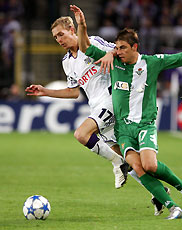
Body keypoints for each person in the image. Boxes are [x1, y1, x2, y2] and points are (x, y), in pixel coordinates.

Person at [71, 4, 182, 219]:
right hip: (123, 129)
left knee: (150, 165)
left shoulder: (152, 63)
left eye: (122, 48)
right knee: (137, 168)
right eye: (116, 47)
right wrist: (82, 25)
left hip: (145, 124)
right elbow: (85, 47)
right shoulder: (114, 60)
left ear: (135, 47)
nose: (117, 51)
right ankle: (174, 208)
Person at [25, 15, 129, 189]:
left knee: (81, 134)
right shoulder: (67, 62)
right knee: (129, 157)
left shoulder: (92, 42)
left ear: (72, 30)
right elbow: (73, 92)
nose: (58, 40)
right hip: (96, 106)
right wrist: (45, 91)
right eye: (55, 37)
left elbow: (120, 51)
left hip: (113, 99)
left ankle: (117, 163)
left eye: (61, 34)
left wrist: (111, 54)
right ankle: (159, 193)